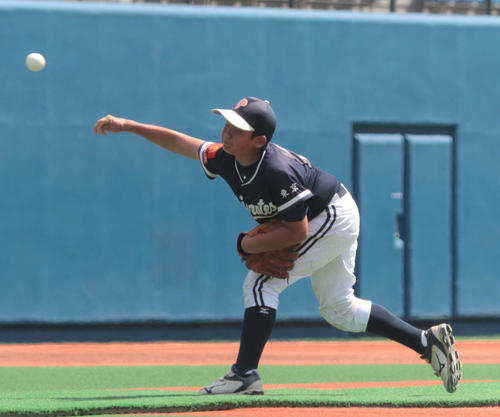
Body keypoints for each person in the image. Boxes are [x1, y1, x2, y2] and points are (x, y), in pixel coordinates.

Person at [93, 96, 462, 395]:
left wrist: (246, 245)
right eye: (227, 122)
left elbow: (297, 232)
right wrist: (129, 126)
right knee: (340, 309)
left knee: (259, 283)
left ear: (259, 141)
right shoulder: (226, 157)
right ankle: (426, 342)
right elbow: (182, 143)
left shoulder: (275, 170)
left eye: (238, 129)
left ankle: (244, 374)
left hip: (331, 215)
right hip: (328, 212)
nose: (226, 131)